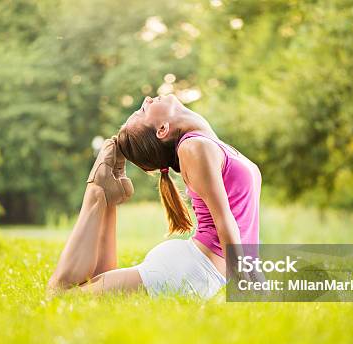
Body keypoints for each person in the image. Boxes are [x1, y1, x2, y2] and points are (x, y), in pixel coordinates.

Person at [47, 94, 261, 299]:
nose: (147, 100)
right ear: (162, 129)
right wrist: (247, 281)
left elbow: (244, 226)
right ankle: (97, 192)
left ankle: (107, 195)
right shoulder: (194, 147)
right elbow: (223, 220)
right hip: (189, 271)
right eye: (143, 110)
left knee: (92, 288)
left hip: (194, 268)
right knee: (61, 296)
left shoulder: (208, 145)